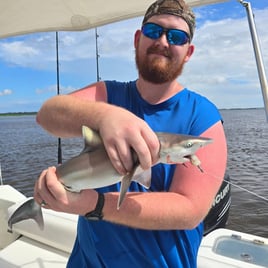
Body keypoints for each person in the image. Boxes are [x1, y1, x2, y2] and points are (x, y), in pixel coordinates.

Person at [34, 0, 227, 267]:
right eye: (153, 31)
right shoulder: (108, 96)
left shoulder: (201, 115)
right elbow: (47, 115)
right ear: (138, 39)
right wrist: (106, 115)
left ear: (188, 51)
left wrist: (96, 204)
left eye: (176, 36)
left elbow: (190, 211)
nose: (162, 41)